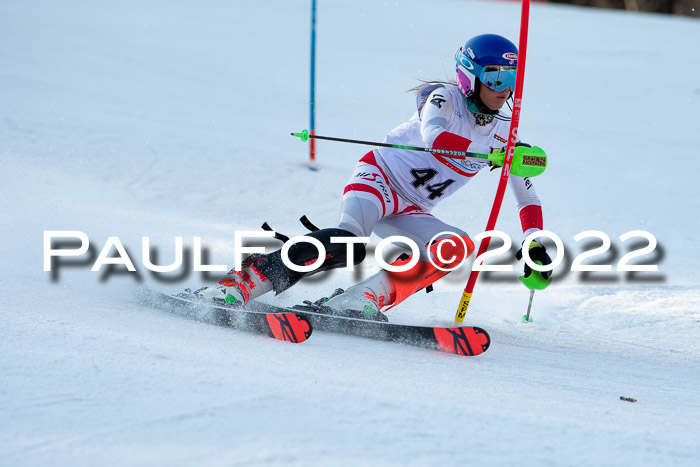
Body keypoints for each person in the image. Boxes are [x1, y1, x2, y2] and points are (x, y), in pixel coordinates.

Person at [201, 34, 553, 318]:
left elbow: (527, 195)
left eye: (512, 79)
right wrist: (489, 153)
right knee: (349, 244)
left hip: (412, 207)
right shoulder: (444, 97)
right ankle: (242, 283)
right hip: (379, 179)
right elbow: (433, 135)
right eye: (494, 77)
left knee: (455, 247)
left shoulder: (505, 132)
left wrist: (535, 239)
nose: (503, 89)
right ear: (469, 76)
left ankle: (358, 299)